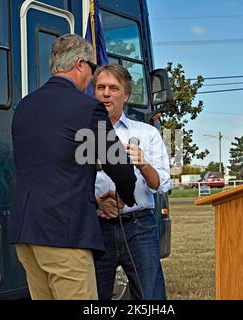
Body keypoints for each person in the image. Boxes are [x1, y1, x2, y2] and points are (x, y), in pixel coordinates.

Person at [10, 35, 136, 300]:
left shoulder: (24, 106)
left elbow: (55, 162)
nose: (92, 79)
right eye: (92, 70)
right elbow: (119, 165)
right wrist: (124, 195)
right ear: (80, 64)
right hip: (64, 234)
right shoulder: (87, 108)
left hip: (25, 232)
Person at [93, 64, 171, 300]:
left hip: (139, 227)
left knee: (150, 296)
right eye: (100, 87)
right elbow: (72, 181)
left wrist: (144, 165)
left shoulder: (147, 133)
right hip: (97, 227)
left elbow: (162, 185)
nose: (106, 93)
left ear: (126, 95)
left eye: (113, 88)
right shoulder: (83, 133)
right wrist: (98, 203)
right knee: (93, 297)